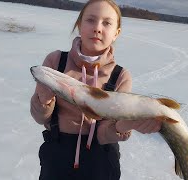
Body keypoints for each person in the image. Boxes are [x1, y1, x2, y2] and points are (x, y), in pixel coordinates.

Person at [30, 0, 162, 179]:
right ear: (79, 25)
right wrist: (44, 101)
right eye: (91, 20)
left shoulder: (121, 76)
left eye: (107, 23)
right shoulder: (55, 62)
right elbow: (40, 118)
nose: (97, 28)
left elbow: (105, 133)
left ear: (116, 33)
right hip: (56, 157)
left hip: (101, 161)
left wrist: (129, 124)